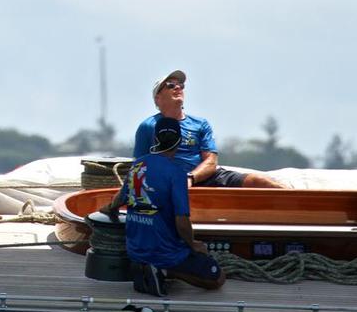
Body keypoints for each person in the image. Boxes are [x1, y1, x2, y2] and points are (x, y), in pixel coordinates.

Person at [102, 116, 226, 296]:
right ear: (179, 141)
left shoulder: (138, 165)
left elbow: (119, 199)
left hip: (135, 250)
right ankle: (165, 271)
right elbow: (182, 221)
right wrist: (193, 245)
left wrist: (108, 209)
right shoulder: (177, 174)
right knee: (218, 278)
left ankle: (148, 269)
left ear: (155, 140)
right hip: (164, 253)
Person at [134, 70, 285, 188]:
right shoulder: (148, 126)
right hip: (167, 183)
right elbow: (138, 168)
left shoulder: (200, 124)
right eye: (170, 85)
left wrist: (190, 178)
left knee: (259, 181)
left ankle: (300, 202)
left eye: (181, 85)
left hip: (201, 177)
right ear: (157, 98)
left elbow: (211, 161)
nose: (178, 87)